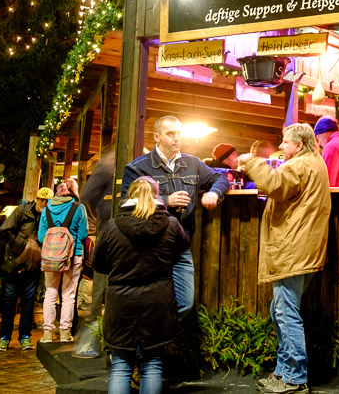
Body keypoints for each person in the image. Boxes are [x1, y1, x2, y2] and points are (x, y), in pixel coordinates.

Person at [238, 122, 331, 394]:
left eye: (285, 142)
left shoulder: (298, 165)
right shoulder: (315, 162)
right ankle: (284, 371)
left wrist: (252, 162)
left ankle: (293, 377)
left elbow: (274, 184)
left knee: (286, 312)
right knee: (280, 310)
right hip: (304, 248)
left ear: (299, 145)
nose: (281, 147)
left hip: (293, 248)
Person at [122, 114, 229, 321]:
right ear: (156, 137)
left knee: (185, 304)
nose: (176, 138)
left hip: (181, 245)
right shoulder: (137, 167)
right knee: (151, 301)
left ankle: (159, 343)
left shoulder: (193, 164)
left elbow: (220, 177)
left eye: (179, 133)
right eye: (170, 134)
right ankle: (151, 349)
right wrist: (164, 201)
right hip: (150, 247)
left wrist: (214, 193)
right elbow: (126, 205)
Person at [92, 176, 186, 394]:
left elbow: (98, 263)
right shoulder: (171, 225)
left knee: (121, 366)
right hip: (158, 302)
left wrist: (120, 272)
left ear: (129, 195)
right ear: (157, 195)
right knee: (153, 365)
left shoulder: (112, 227)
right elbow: (179, 253)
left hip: (120, 303)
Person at [0, 188, 48, 351]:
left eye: (47, 201)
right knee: (10, 300)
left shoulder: (49, 215)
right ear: (36, 199)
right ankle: (4, 337)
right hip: (16, 263)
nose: (44, 204)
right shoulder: (22, 211)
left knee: (28, 300)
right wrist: (23, 246)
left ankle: (25, 337)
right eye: (41, 200)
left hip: (33, 265)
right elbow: (4, 231)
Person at [38, 178, 89, 343]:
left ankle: (47, 333)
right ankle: (65, 333)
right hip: (73, 255)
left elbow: (40, 236)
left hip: (50, 256)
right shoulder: (79, 208)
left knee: (50, 293)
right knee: (68, 295)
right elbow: (82, 235)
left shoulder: (47, 209)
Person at [80, 149, 116, 320]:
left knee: (103, 273)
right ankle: (97, 320)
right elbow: (87, 194)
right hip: (109, 223)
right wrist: (103, 209)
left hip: (109, 223)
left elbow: (87, 194)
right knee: (102, 273)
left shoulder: (106, 170)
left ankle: (100, 318)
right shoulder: (105, 170)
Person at [313, 117, 339, 188]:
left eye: (318, 138)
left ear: (324, 133)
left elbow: (327, 181)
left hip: (336, 197)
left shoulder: (330, 147)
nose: (319, 143)